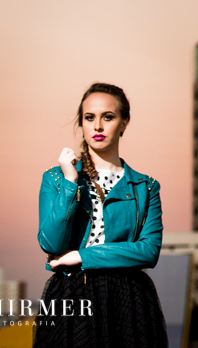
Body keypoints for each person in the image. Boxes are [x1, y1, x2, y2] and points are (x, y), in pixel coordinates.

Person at [34, 82, 167, 347]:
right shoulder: (56, 179)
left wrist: (82, 256)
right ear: (81, 123)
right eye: (89, 118)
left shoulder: (146, 186)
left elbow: (148, 251)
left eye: (108, 117)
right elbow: (50, 243)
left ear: (124, 123)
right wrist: (71, 183)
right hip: (72, 295)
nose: (97, 126)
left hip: (128, 299)